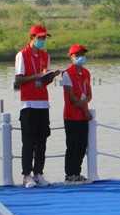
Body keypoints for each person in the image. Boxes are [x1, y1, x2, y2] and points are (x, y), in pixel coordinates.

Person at [14, 24, 60, 188]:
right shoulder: (22, 55)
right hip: (28, 103)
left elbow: (44, 80)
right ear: (32, 38)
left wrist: (50, 76)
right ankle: (27, 175)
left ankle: (38, 173)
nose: (42, 40)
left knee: (42, 141)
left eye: (44, 38)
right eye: (40, 38)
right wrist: (36, 76)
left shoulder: (45, 55)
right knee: (28, 141)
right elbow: (18, 80)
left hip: (43, 103)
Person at [62, 43, 92, 184]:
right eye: (78, 55)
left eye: (83, 54)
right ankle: (69, 175)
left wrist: (85, 106)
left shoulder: (86, 73)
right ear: (72, 57)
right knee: (72, 145)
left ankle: (77, 173)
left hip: (83, 116)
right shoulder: (67, 73)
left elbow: (89, 94)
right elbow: (71, 97)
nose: (81, 57)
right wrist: (85, 109)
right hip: (71, 115)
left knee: (82, 145)